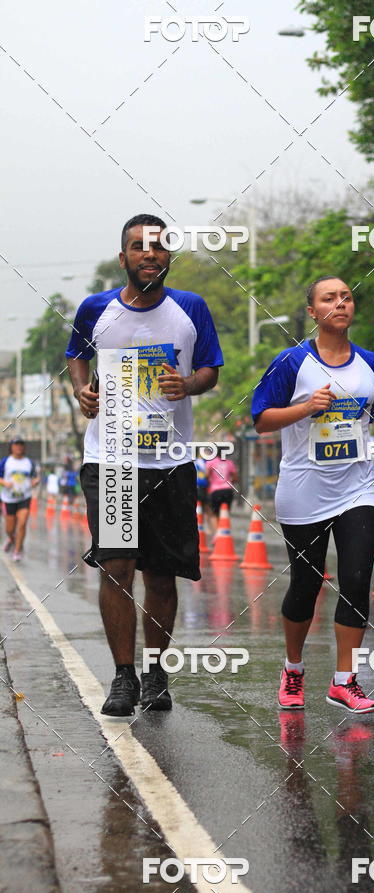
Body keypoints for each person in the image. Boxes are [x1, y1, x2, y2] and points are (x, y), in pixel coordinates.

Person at [65, 213, 223, 716]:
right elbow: (76, 355)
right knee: (117, 568)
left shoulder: (191, 308)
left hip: (170, 460)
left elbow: (210, 371)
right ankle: (123, 677)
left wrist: (189, 384)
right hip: (110, 460)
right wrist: (81, 391)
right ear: (124, 258)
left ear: (168, 257)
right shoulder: (95, 308)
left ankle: (156, 674)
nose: (148, 254)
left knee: (160, 574)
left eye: (157, 247)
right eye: (138, 247)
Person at [252, 275, 374, 714]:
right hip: (303, 490)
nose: (340, 303)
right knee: (306, 584)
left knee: (356, 580)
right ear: (312, 312)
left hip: (359, 487)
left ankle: (344, 680)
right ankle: (293, 669)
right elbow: (260, 419)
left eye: (347, 297)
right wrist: (305, 408)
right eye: (329, 298)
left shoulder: (372, 363)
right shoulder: (291, 362)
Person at [0, 437, 40, 562]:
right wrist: (5, 483)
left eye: (21, 445)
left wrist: (35, 482)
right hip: (8, 499)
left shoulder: (29, 462)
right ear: (11, 447)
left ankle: (17, 551)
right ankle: (11, 538)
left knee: (22, 524)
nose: (19, 447)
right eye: (16, 444)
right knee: (9, 529)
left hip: (24, 497)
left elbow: (36, 477)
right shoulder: (5, 461)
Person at [205, 452, 238, 531]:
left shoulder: (211, 462)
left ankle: (217, 534)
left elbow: (206, 475)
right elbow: (235, 478)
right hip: (227, 490)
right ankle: (225, 532)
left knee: (214, 514)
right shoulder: (229, 462)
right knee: (225, 513)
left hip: (215, 490)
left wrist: (211, 480)